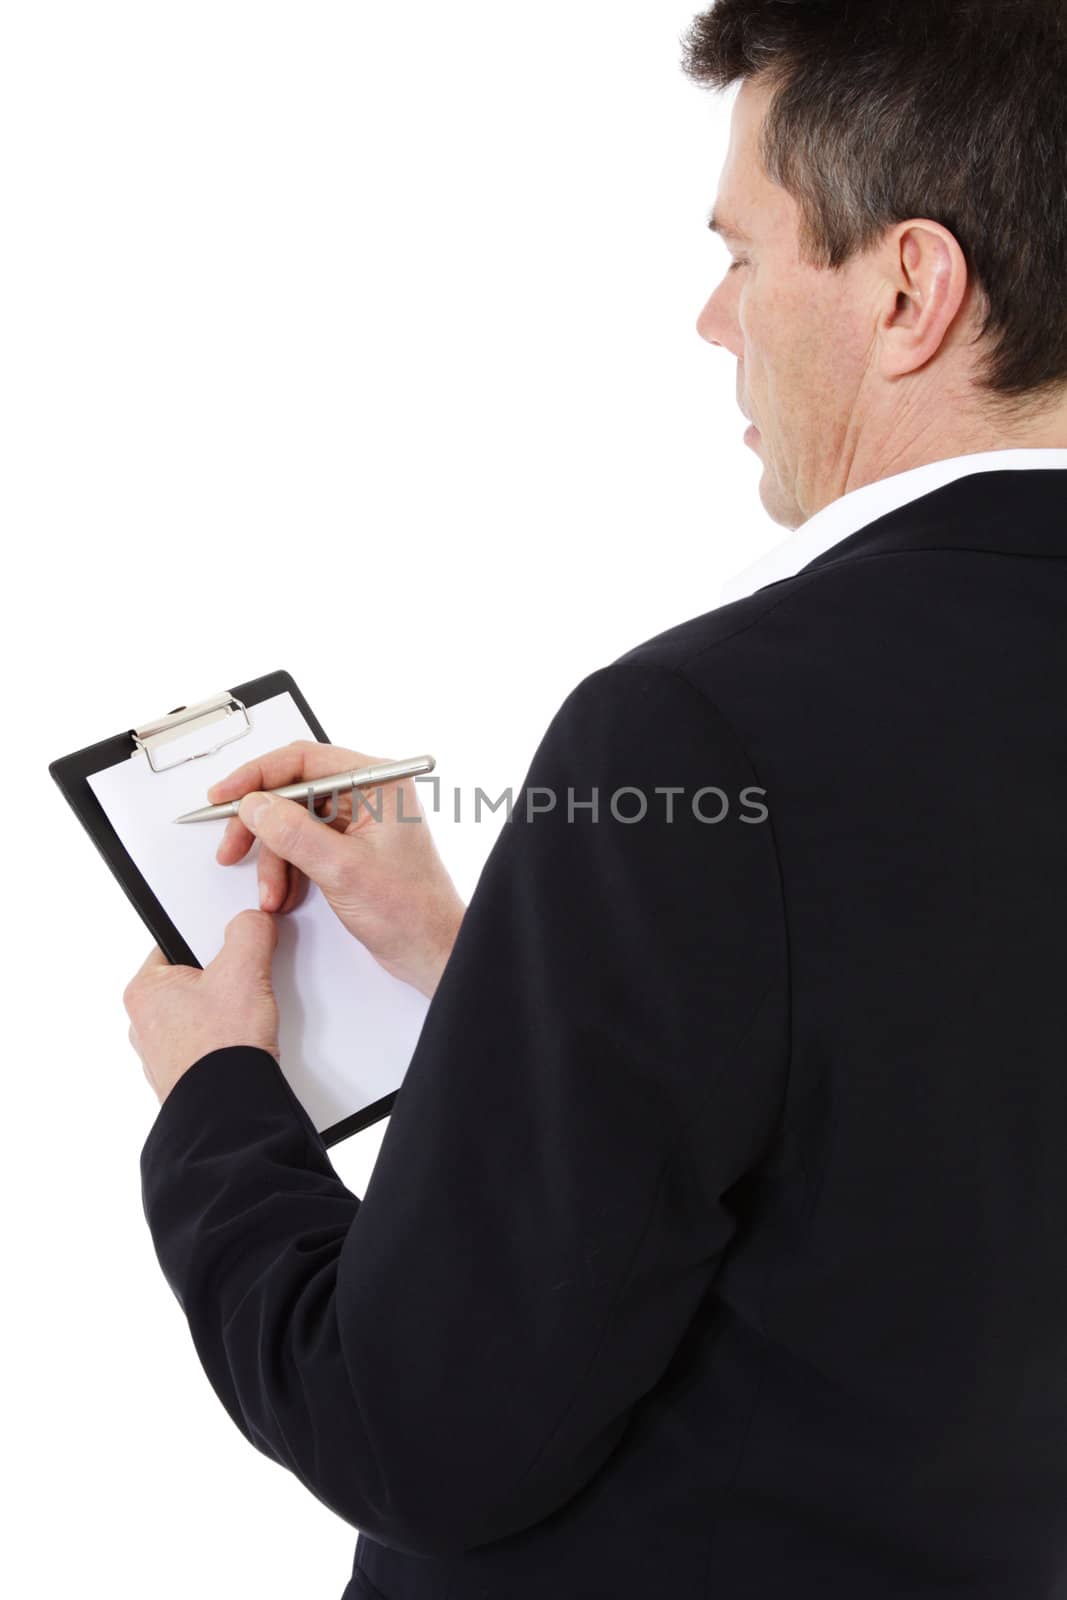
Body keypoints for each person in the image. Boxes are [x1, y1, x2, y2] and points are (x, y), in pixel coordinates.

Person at [124, 3, 1067, 1594]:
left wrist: (220, 1104)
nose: (715, 320)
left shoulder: (695, 727)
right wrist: (490, 962)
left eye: (746, 251)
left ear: (913, 287)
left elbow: (412, 1432)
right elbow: (913, 1100)